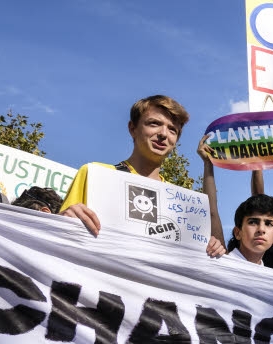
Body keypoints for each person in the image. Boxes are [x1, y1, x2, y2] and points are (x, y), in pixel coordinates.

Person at [59, 95, 225, 257]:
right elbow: (57, 240)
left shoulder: (180, 201)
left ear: (175, 141)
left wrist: (211, 248)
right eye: (154, 123)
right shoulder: (94, 174)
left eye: (172, 130)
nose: (163, 134)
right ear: (133, 129)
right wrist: (63, 220)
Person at [227, 194, 273, 265]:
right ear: (237, 233)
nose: (261, 229)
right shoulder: (216, 265)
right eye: (253, 222)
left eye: (269, 224)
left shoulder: (270, 275)